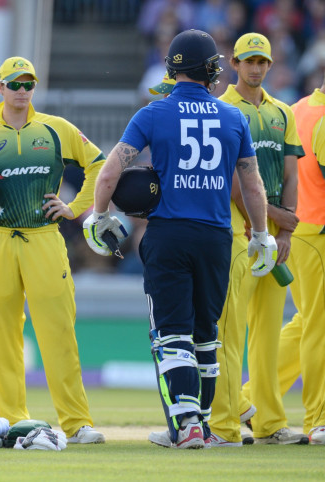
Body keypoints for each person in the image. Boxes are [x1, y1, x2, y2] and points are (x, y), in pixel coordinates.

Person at [87, 29, 275, 449]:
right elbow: (252, 185)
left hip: (169, 233)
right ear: (210, 69)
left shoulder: (153, 113)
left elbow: (111, 171)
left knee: (171, 333)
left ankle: (187, 424)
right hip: (216, 237)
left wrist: (98, 215)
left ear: (173, 69)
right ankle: (201, 426)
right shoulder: (234, 117)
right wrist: (261, 234)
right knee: (206, 333)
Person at [0, 56, 106, 445]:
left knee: (58, 332)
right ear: (0, 88)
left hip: (43, 237)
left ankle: (76, 422)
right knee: (2, 334)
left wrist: (75, 207)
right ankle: (11, 419)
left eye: (28, 84)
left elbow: (100, 165)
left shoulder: (55, 129)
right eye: (14, 84)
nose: (22, 91)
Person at [208, 32, 307, 447]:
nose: (255, 68)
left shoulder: (282, 111)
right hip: (238, 234)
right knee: (231, 333)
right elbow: (233, 182)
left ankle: (268, 423)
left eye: (262, 61)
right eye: (248, 60)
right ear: (235, 63)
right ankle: (225, 423)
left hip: (274, 238)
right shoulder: (222, 109)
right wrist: (270, 224)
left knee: (267, 336)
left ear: (270, 64)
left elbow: (290, 175)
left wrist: (284, 233)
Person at [283, 45, 325, 446]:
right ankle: (322, 419)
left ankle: (250, 398)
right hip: (321, 235)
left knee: (306, 324)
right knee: (323, 330)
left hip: (296, 232)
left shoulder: (300, 108)